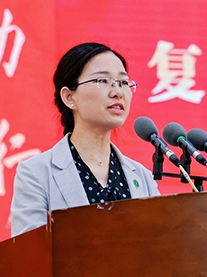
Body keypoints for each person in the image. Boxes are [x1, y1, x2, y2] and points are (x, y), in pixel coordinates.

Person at [10, 42, 160, 236]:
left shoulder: (143, 177)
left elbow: (158, 245)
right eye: (103, 80)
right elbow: (30, 249)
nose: (118, 92)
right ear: (69, 97)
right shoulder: (36, 173)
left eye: (123, 82)